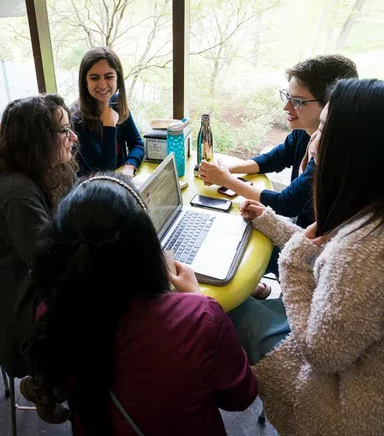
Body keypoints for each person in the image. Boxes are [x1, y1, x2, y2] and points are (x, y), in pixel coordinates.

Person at [220, 79, 384, 435]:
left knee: (224, 311)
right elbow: (334, 259)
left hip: (354, 418)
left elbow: (323, 353)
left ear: (356, 151)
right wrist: (271, 223)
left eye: (323, 128)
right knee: (249, 300)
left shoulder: (375, 246)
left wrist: (292, 261)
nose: (315, 140)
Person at [26, 173, 257, 435]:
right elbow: (241, 396)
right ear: (146, 245)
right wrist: (196, 297)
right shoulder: (200, 319)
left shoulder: (51, 311)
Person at [199, 55, 358, 298]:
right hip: (303, 234)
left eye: (298, 101)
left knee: (234, 244)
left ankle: (246, 293)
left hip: (315, 252)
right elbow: (274, 158)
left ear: (331, 106)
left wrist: (226, 181)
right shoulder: (306, 132)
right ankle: (257, 288)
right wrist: (230, 170)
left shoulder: (332, 157)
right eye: (287, 97)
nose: (287, 108)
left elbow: (286, 202)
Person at [0, 95, 77, 381]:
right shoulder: (17, 194)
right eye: (64, 131)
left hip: (23, 283)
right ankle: (50, 384)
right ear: (38, 139)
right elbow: (54, 265)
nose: (73, 137)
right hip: (12, 315)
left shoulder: (46, 168)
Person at [71, 47, 144, 177]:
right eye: (94, 78)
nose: (103, 84)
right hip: (94, 188)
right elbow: (104, 172)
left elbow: (137, 143)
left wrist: (129, 166)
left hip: (120, 180)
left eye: (109, 76)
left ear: (118, 79)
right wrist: (109, 127)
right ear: (85, 82)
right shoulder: (76, 120)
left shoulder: (117, 103)